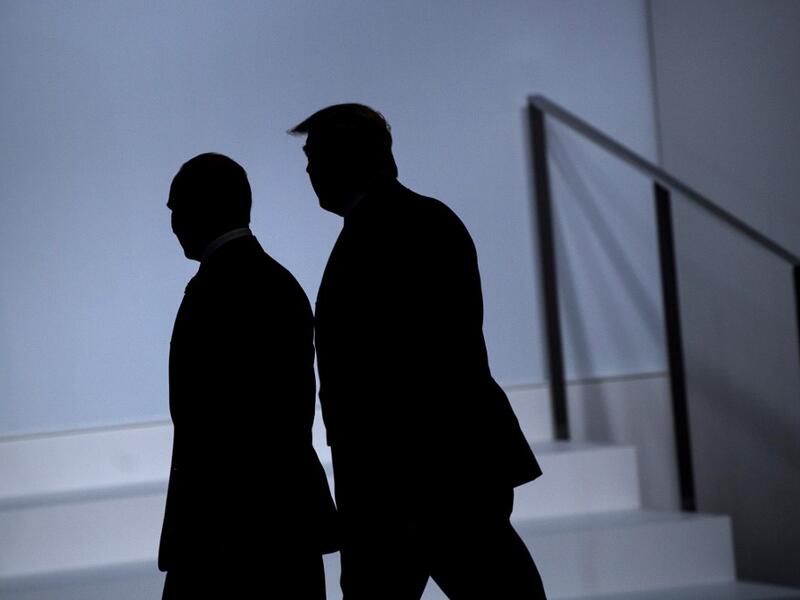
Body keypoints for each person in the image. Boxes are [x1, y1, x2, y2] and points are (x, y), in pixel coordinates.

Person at [291, 105, 547, 599]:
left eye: (315, 156)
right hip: (436, 469)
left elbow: (410, 366)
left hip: (414, 476)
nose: (309, 171)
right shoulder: (420, 221)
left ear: (347, 160)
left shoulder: (384, 232)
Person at [159, 153, 337, 599]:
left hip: (226, 531)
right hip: (284, 522)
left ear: (202, 208)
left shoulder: (214, 290)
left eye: (177, 209)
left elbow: (209, 421)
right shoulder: (277, 282)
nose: (173, 224)